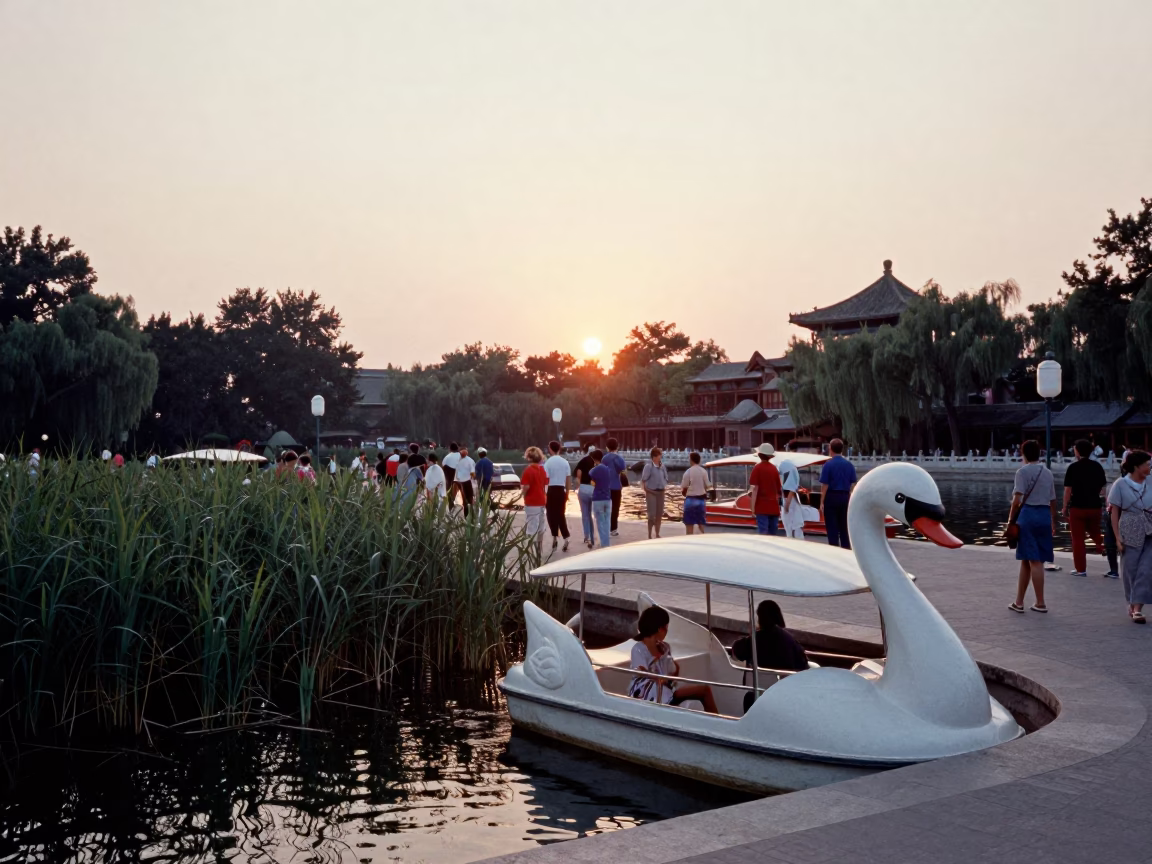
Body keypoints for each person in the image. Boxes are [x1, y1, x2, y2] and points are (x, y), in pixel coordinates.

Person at [628, 606, 718, 713]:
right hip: (649, 695)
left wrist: (669, 662)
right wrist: (660, 675)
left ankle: (716, 720)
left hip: (666, 692)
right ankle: (719, 722)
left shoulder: (664, 647)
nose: (666, 631)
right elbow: (641, 672)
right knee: (704, 691)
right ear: (660, 629)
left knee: (703, 691)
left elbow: (673, 672)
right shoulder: (638, 649)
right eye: (666, 627)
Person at [731, 599, 809, 713]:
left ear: (760, 618)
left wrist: (752, 633)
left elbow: (736, 651)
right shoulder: (789, 640)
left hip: (759, 697)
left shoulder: (754, 640)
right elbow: (803, 664)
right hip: (787, 695)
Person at [1008, 439, 1057, 614]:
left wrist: (1010, 519)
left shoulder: (1022, 472)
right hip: (1044, 515)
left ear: (1024, 454)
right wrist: (1053, 521)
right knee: (1027, 559)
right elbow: (1053, 499)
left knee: (1034, 561)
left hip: (1028, 515)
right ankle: (1019, 601)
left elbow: (1017, 500)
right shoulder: (1047, 472)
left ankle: (1040, 602)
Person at [1108, 450, 1152, 624]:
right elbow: (1114, 512)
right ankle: (1132, 604)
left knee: (1147, 569)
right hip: (1129, 527)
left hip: (1150, 526)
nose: (1150, 467)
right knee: (1130, 569)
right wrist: (1117, 537)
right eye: (1147, 464)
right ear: (1136, 467)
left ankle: (1137, 608)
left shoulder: (1151, 481)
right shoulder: (1120, 484)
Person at [1062, 438, 1107, 577]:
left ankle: (1081, 569)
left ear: (1077, 451)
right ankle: (1107, 547)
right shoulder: (1097, 466)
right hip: (1095, 507)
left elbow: (1067, 490)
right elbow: (1103, 490)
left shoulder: (1073, 467)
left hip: (1077, 507)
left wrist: (1064, 507)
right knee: (1095, 533)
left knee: (1078, 539)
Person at [819, 439, 857, 549]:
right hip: (845, 496)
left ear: (830, 449)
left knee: (832, 528)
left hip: (831, 496)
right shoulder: (849, 465)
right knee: (845, 527)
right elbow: (853, 483)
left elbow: (825, 485)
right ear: (842, 449)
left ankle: (834, 549)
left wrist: (822, 502)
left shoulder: (828, 465)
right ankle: (846, 549)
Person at [748, 443, 782, 536]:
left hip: (761, 507)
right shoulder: (774, 469)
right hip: (774, 507)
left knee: (763, 534)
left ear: (759, 455)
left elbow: (755, 489)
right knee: (772, 534)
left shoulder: (757, 468)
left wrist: (752, 508)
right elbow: (779, 489)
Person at [543, 441, 572, 551]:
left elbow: (546, 479)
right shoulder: (565, 462)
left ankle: (554, 536)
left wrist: (544, 493)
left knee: (551, 514)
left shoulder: (548, 463)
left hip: (551, 490)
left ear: (550, 449)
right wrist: (567, 492)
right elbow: (568, 479)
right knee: (560, 514)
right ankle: (566, 537)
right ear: (559, 449)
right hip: (561, 490)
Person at [521, 446, 548, 554]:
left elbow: (526, 486)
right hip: (541, 501)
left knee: (532, 527)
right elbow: (545, 485)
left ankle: (532, 551)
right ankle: (539, 548)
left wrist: (522, 495)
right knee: (541, 526)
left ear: (529, 457)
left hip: (532, 502)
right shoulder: (542, 470)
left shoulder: (528, 470)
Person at [640, 447, 669, 539]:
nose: (660, 457)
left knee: (659, 514)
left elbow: (666, 477)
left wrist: (664, 485)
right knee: (651, 514)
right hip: (651, 492)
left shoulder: (662, 466)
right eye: (659, 455)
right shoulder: (648, 466)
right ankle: (649, 534)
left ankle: (657, 533)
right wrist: (647, 490)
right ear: (654, 456)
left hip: (661, 492)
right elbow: (644, 480)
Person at [600, 438, 627, 537]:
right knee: (615, 508)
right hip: (616, 486)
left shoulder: (604, 459)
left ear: (607, 447)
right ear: (617, 446)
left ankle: (605, 527)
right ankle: (613, 529)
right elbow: (623, 471)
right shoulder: (620, 459)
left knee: (605, 508)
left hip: (606, 486)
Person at [589, 450, 614, 548]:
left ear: (594, 459)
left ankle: (604, 544)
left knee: (600, 522)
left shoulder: (594, 470)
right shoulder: (608, 469)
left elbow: (590, 476)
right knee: (607, 522)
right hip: (607, 497)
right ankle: (607, 542)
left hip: (598, 498)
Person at [573, 447, 597, 547]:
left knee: (585, 514)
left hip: (583, 488)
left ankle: (586, 536)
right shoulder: (598, 462)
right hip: (594, 488)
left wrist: (578, 486)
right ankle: (592, 535)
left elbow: (578, 474)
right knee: (591, 513)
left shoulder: (583, 461)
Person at [680, 451, 709, 535]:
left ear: (691, 460)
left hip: (690, 499)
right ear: (699, 460)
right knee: (701, 523)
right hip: (701, 500)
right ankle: (704, 537)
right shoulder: (704, 471)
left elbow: (684, 486)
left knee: (689, 524)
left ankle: (689, 539)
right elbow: (708, 485)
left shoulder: (688, 472)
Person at [778, 455, 805, 539]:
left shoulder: (788, 478)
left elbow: (791, 490)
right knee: (795, 525)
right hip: (791, 502)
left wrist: (786, 505)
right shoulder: (792, 474)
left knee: (789, 526)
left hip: (789, 502)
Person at [454, 446, 477, 516]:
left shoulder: (458, 460)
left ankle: (468, 514)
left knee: (466, 499)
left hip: (462, 481)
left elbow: (472, 472)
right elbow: (472, 472)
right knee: (468, 498)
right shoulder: (469, 460)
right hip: (463, 482)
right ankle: (469, 514)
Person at [442, 442, 462, 507]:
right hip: (459, 475)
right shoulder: (461, 456)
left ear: (450, 449)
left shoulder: (447, 457)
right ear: (457, 448)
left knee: (449, 487)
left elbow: (443, 465)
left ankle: (450, 502)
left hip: (450, 476)